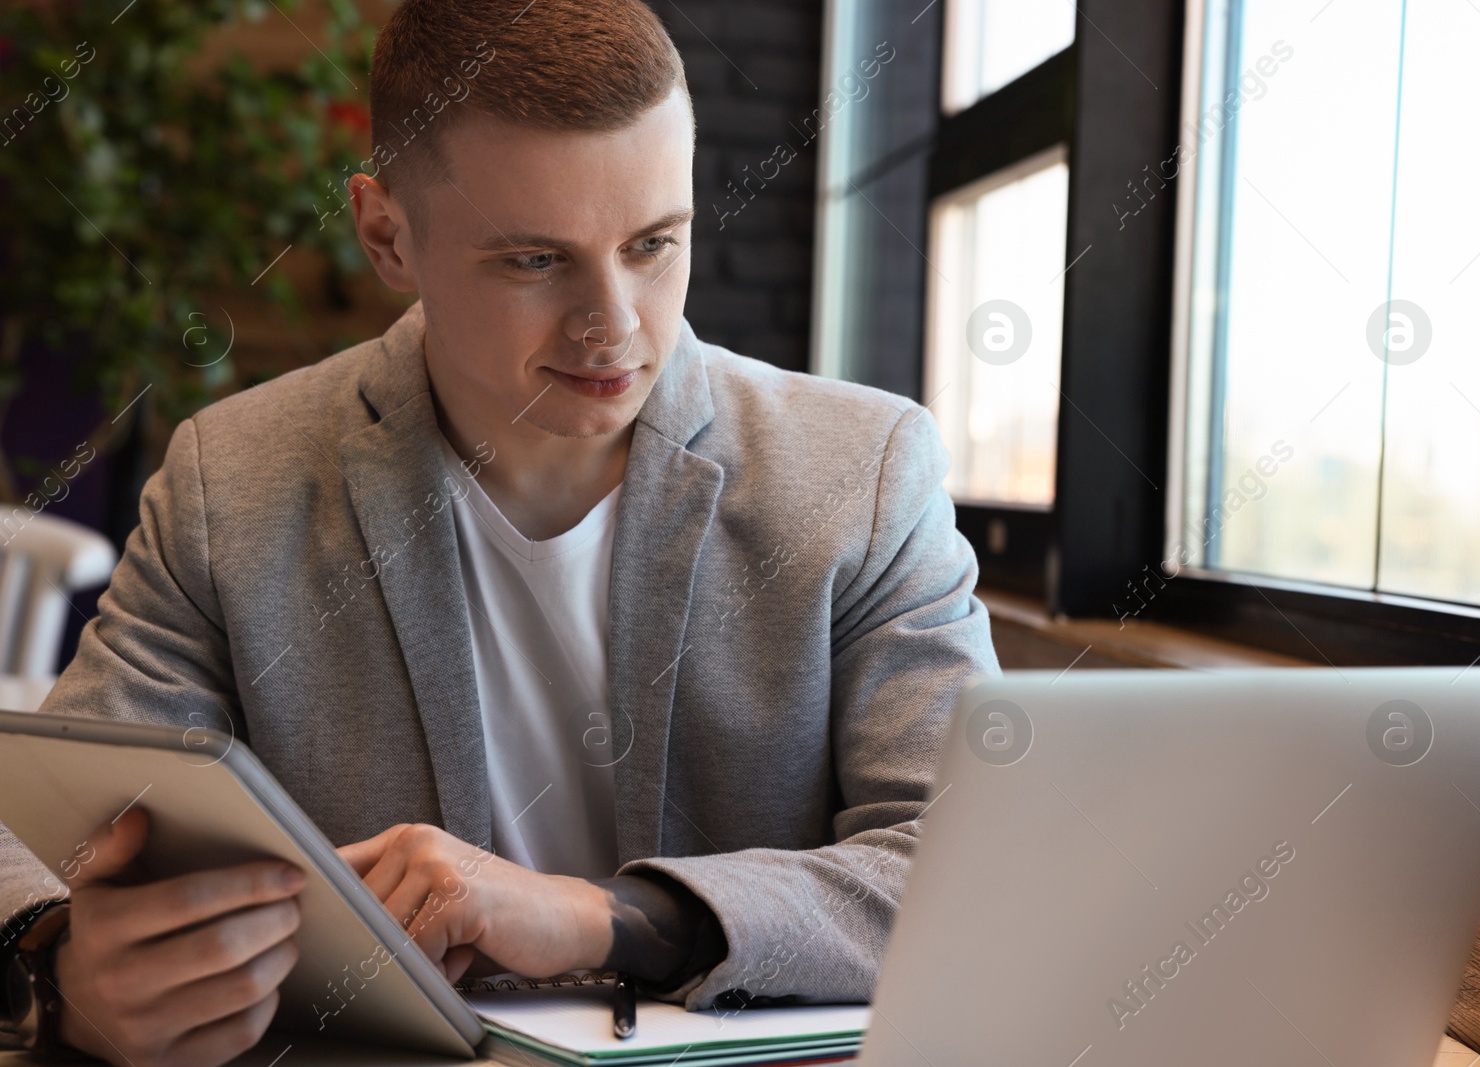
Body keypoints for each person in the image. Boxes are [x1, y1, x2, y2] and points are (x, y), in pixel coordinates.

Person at [0, 1, 997, 1064]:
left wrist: (604, 915)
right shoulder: (230, 481)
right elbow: (42, 828)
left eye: (654, 244)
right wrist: (57, 958)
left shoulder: (865, 468)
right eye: (534, 261)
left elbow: (974, 867)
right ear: (387, 234)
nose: (613, 323)